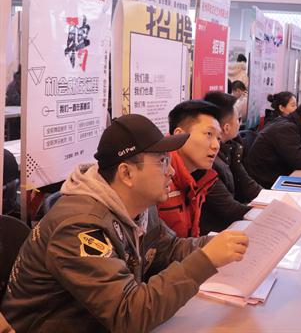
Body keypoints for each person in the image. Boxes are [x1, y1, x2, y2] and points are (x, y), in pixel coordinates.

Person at [1, 114, 249, 332]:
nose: (171, 171)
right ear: (127, 173)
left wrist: (219, 245)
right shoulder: (78, 228)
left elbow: (168, 249)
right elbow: (128, 315)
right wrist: (206, 260)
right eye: (162, 162)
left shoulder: (141, 207)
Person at [159, 100, 252, 237]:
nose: (216, 146)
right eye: (209, 134)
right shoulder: (158, 179)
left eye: (218, 138)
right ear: (179, 135)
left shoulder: (203, 175)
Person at [203, 91, 262, 203]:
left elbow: (247, 184)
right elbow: (228, 207)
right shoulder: (208, 160)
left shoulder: (232, 147)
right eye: (238, 119)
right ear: (226, 127)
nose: (240, 123)